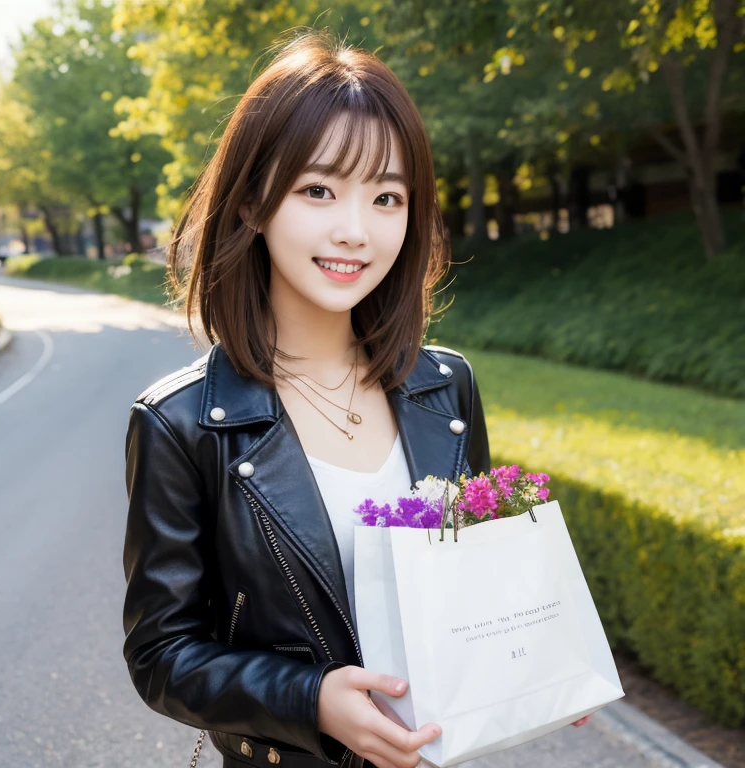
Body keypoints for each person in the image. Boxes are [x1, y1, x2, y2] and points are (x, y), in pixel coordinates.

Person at [122, 27, 588, 768]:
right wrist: (309, 698)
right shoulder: (182, 424)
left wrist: (540, 661)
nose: (355, 230)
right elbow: (163, 654)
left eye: (387, 197)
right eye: (318, 189)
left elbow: (472, 582)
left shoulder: (446, 387)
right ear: (251, 203)